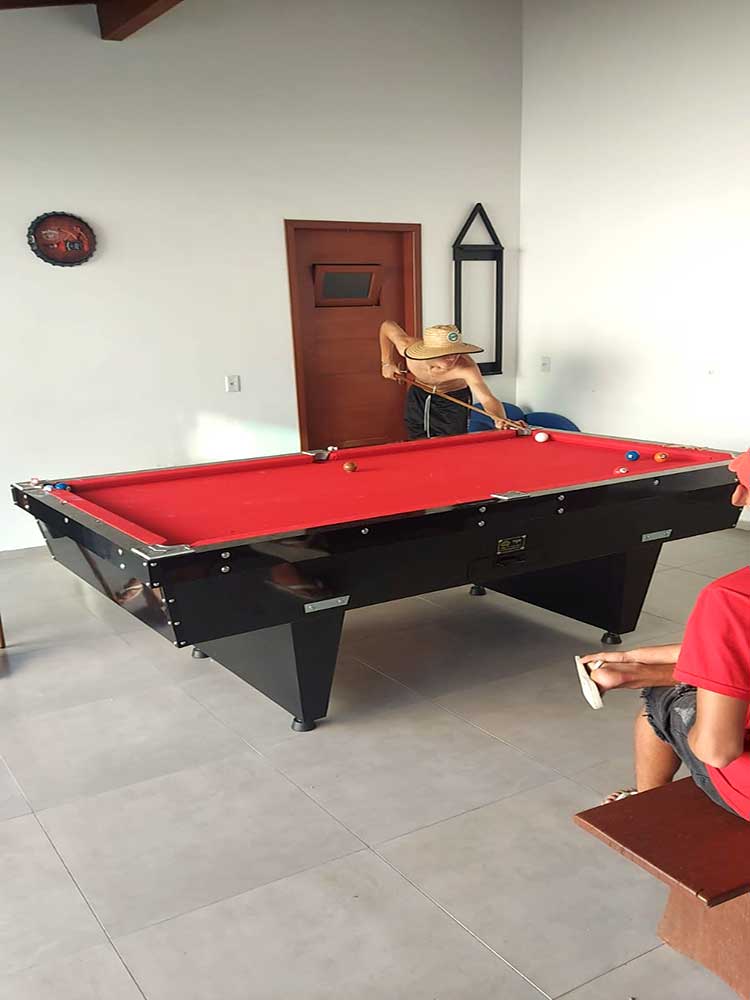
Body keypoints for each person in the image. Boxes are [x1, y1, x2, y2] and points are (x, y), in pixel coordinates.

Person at [579, 449, 750, 819]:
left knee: (661, 705)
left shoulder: (731, 597)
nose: (737, 498)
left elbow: (717, 751)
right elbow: (733, 647)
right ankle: (649, 673)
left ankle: (647, 806)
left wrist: (693, 720)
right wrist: (631, 656)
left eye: (745, 487)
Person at [379, 320, 522, 439]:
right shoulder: (408, 348)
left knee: (450, 442)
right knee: (417, 438)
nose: (453, 358)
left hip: (453, 400)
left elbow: (487, 398)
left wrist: (500, 419)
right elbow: (387, 326)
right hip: (419, 394)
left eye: (456, 352)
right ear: (429, 352)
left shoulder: (466, 367)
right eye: (445, 353)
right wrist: (386, 363)